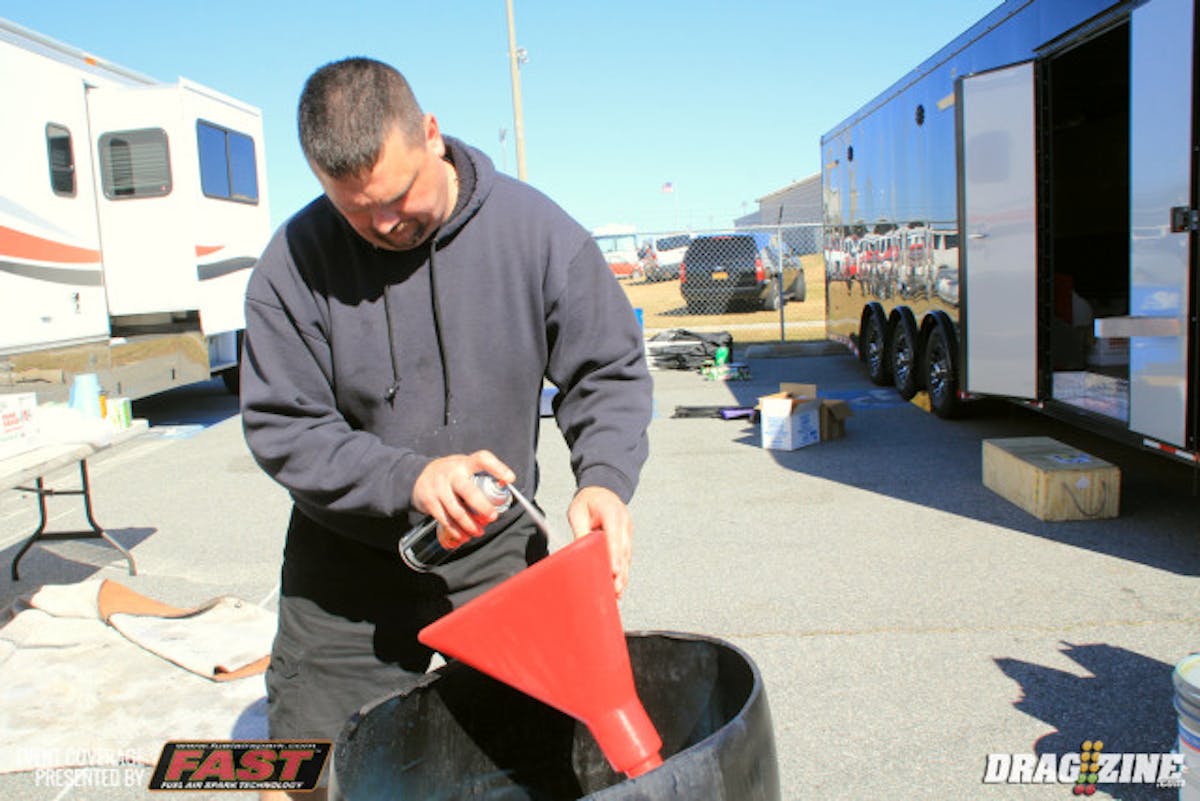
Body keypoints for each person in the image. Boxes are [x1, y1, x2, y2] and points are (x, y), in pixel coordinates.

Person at [239, 57, 653, 798]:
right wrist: (409, 478)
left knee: (538, 757)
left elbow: (608, 369)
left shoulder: (536, 233)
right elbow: (284, 425)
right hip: (346, 564)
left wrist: (604, 479)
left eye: (397, 196)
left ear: (430, 134)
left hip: (494, 548)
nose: (384, 224)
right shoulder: (291, 265)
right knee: (307, 771)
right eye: (355, 210)